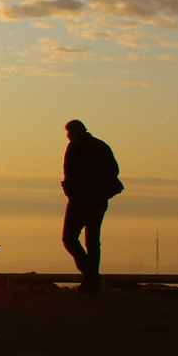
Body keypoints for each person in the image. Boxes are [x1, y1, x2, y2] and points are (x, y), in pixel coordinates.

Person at [61, 119, 123, 294]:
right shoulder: (101, 146)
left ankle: (91, 276)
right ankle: (92, 279)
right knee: (93, 241)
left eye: (68, 133)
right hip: (99, 200)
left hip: (81, 200)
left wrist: (72, 190)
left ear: (72, 132)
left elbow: (70, 173)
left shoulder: (75, 147)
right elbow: (114, 171)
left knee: (69, 238)